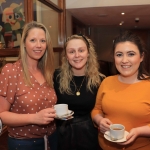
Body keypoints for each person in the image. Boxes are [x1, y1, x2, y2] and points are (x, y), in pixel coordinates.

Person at [0, 21, 57, 150]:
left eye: (43, 41)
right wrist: (35, 118)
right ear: (24, 44)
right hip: (24, 144)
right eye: (33, 40)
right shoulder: (11, 71)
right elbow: (2, 114)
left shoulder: (47, 72)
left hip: (51, 140)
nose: (39, 45)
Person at [91, 30, 150, 150]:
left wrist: (140, 131)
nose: (124, 60)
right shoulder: (106, 82)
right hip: (104, 147)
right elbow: (96, 110)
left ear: (141, 57)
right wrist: (100, 120)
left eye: (131, 54)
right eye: (119, 54)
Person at [53, 34, 105, 150]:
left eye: (81, 50)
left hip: (89, 136)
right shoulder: (56, 77)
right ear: (66, 56)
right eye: (71, 52)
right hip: (62, 135)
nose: (77, 55)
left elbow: (102, 110)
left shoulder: (100, 80)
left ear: (88, 53)